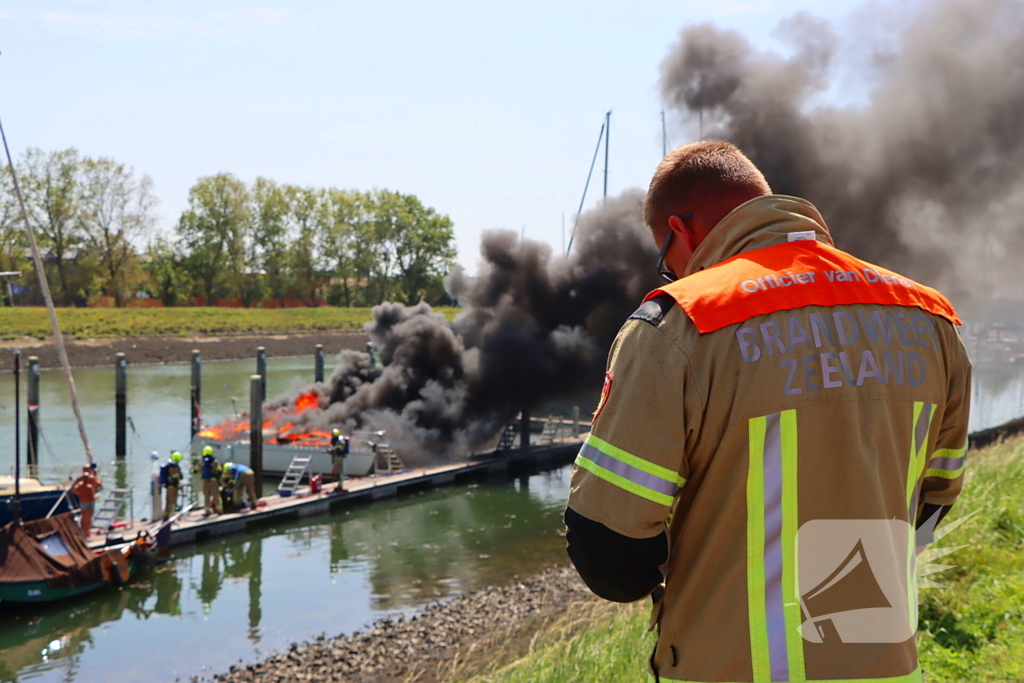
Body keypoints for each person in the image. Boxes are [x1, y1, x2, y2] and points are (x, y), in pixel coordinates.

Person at [564, 140, 971, 683]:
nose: (673, 274)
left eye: (666, 260)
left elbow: (610, 552)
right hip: (887, 668)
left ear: (681, 231)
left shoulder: (679, 324)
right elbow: (934, 501)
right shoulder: (930, 318)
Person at [70, 463, 102, 536]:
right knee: (88, 518)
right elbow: (99, 484)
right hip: (89, 501)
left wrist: (79, 494)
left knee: (84, 518)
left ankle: (84, 532)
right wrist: (95, 478)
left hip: (83, 501)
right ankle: (86, 533)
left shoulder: (80, 479)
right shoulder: (91, 478)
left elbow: (73, 488)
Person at [160, 451, 184, 521]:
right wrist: (180, 486)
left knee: (168, 502)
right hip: (173, 487)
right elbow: (176, 478)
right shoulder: (174, 468)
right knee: (172, 502)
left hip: (168, 487)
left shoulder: (168, 466)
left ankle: (165, 517)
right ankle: (172, 517)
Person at [200, 445, 221, 516]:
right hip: (213, 481)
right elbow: (219, 471)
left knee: (206, 497)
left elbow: (195, 470)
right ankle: (220, 511)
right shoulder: (215, 461)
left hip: (205, 481)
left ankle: (207, 512)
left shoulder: (202, 461)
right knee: (216, 496)